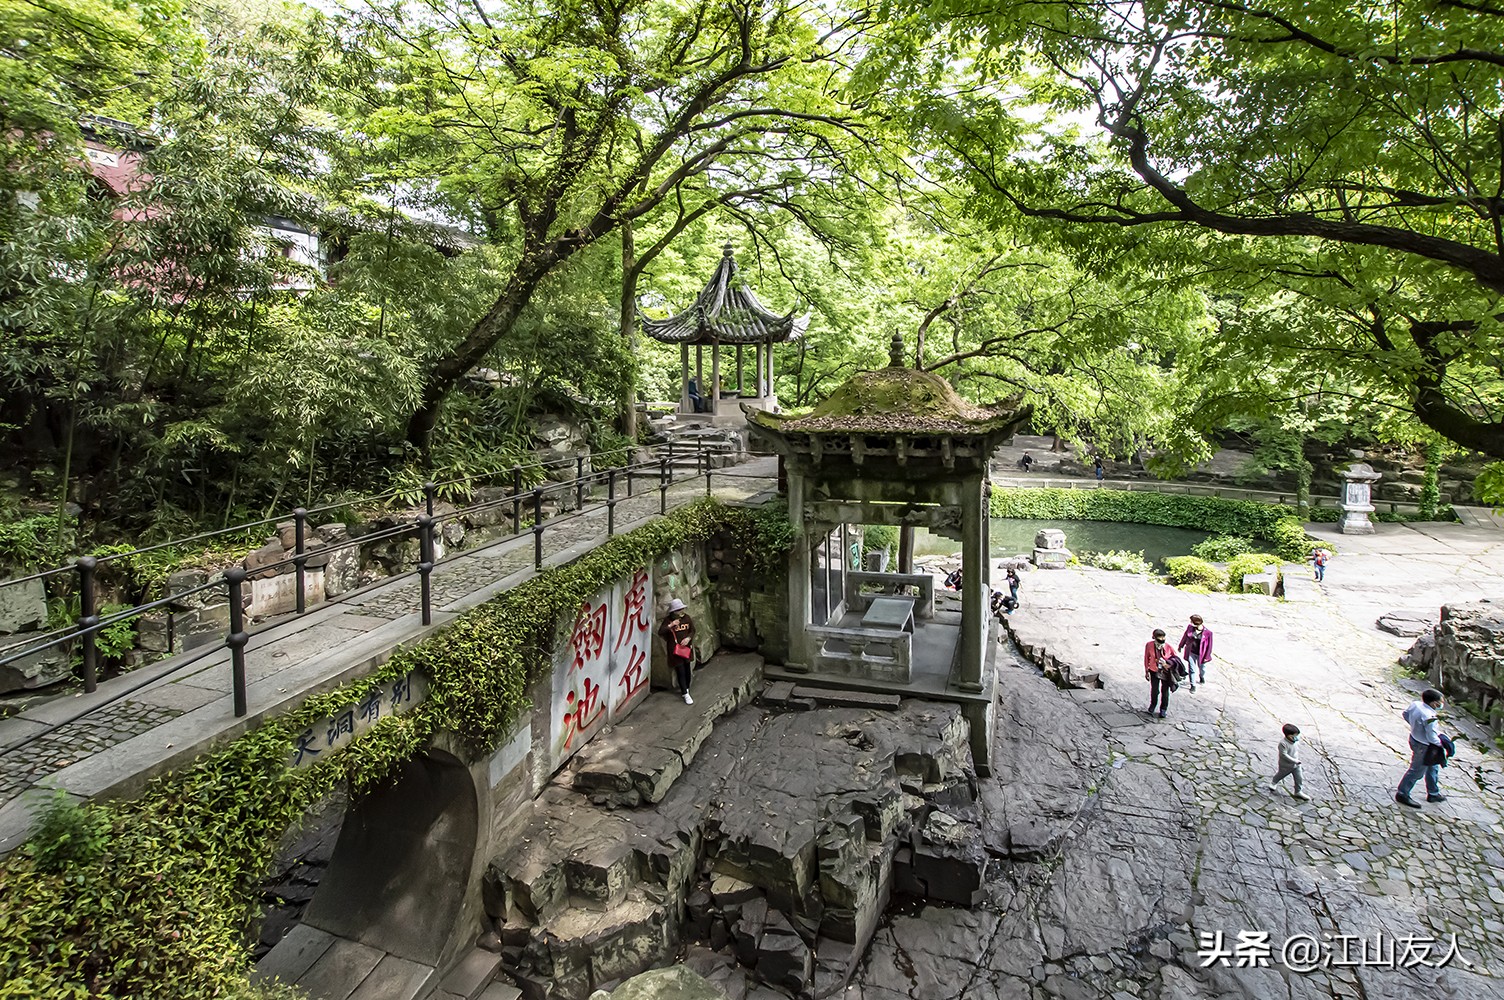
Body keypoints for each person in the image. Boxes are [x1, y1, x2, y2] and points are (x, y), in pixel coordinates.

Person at [1395, 689, 1448, 807]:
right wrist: (1442, 743)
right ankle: (1402, 793)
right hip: (1424, 746)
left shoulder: (1416, 705)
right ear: (1434, 703)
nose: (1441, 704)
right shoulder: (1430, 717)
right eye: (1440, 702)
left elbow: (1405, 714)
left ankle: (1433, 792)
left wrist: (1415, 726)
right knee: (1416, 771)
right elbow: (1432, 737)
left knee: (1432, 767)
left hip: (1414, 738)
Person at [659, 598, 696, 705]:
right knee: (680, 670)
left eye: (681, 609)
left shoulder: (687, 618)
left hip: (686, 649)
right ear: (673, 611)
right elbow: (661, 632)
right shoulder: (668, 620)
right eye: (678, 610)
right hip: (674, 650)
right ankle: (685, 693)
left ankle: (687, 688)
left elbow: (692, 630)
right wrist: (670, 626)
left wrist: (688, 638)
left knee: (687, 669)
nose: (681, 612)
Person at [1269, 724, 1310, 801]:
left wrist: (1296, 761)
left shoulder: (1295, 741)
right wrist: (1294, 760)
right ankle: (1274, 782)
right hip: (1286, 765)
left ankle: (1298, 791)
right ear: (1288, 735)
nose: (1296, 737)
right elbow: (1284, 755)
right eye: (1294, 736)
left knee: (1299, 778)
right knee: (1281, 774)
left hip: (1296, 764)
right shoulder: (1283, 743)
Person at [1143, 628, 1178, 718]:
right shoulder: (1149, 645)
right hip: (1153, 670)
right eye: (1159, 639)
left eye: (1163, 639)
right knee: (1155, 690)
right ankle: (1153, 705)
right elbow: (1147, 658)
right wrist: (1146, 670)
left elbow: (1175, 658)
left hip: (1165, 671)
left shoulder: (1168, 647)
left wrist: (1168, 664)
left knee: (1165, 691)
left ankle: (1163, 709)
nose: (1161, 641)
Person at [1177, 614, 1214, 692]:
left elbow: (1209, 646)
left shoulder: (1208, 633)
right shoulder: (1190, 628)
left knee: (1202, 668)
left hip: (1201, 654)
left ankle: (1201, 676)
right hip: (1191, 652)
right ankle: (1193, 685)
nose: (1191, 623)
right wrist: (1181, 645)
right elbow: (1185, 637)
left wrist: (1207, 656)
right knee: (1192, 669)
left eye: (1192, 621)